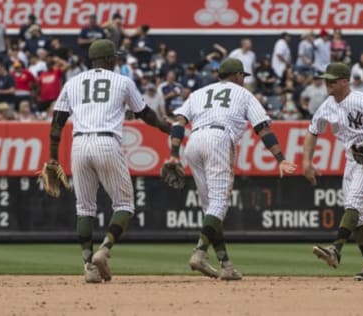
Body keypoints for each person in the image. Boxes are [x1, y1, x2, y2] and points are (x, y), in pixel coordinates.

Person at [48, 39, 171, 283]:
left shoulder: (72, 83)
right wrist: (164, 127)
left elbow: (57, 124)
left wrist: (52, 157)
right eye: (114, 57)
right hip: (107, 142)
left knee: (84, 209)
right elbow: (145, 113)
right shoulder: (122, 81)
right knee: (124, 205)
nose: (117, 60)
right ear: (108, 59)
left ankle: (88, 267)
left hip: (79, 144)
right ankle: (104, 249)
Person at [165, 58, 296, 280]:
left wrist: (174, 155)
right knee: (219, 204)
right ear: (236, 76)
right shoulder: (244, 94)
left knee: (211, 210)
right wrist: (280, 158)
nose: (243, 80)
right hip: (218, 138)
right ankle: (199, 252)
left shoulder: (198, 93)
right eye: (242, 76)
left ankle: (226, 265)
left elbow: (179, 122)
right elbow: (262, 128)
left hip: (193, 142)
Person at [303, 62, 363, 281]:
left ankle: (335, 249)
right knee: (358, 215)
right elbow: (312, 131)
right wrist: (307, 162)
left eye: (333, 81)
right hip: (353, 157)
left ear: (345, 81)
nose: (328, 84)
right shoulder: (327, 104)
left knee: (353, 202)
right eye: (326, 80)